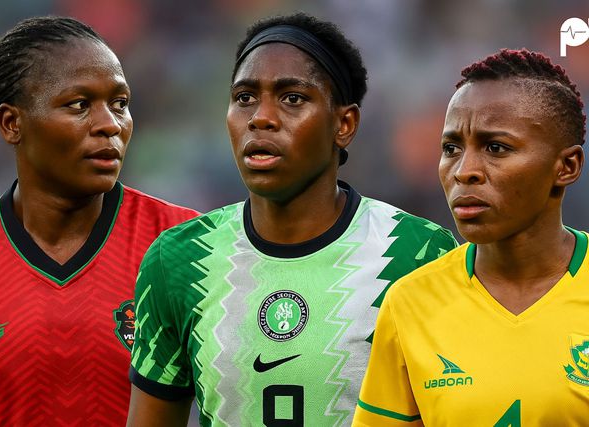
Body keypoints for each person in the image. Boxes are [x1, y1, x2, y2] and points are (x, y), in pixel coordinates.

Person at [127, 12, 458, 427]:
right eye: (244, 97)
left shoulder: (419, 252)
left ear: (344, 124)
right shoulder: (179, 260)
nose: (260, 117)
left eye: (292, 98)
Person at [0, 16, 198, 426]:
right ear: (12, 123)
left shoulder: (186, 245)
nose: (110, 125)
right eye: (79, 105)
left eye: (120, 104)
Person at [352, 48, 588, 426]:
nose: (464, 171)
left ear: (567, 166)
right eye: (451, 149)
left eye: (496, 148)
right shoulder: (410, 303)